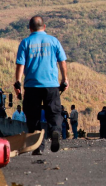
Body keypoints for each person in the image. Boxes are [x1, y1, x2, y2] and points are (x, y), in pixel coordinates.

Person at [14, 15, 68, 155]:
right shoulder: (54, 41)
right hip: (51, 85)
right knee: (54, 112)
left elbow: (21, 64)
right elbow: (62, 61)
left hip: (32, 86)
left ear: (30, 28)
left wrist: (18, 83)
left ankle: (38, 146)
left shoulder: (25, 42)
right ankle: (55, 131)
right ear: (44, 27)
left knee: (33, 116)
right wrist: (65, 79)